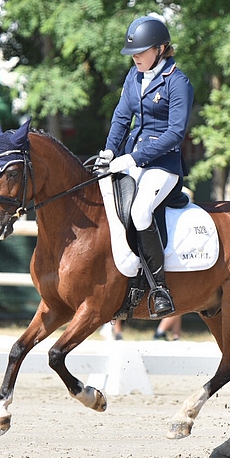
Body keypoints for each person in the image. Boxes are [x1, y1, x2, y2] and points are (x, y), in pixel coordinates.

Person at [97, 16, 195, 319]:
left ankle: (159, 289)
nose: (135, 57)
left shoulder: (178, 82)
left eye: (141, 52)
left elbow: (175, 133)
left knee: (140, 211)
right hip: (128, 156)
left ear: (160, 48)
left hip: (163, 164)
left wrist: (135, 158)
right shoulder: (134, 76)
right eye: (133, 53)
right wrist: (110, 150)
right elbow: (121, 118)